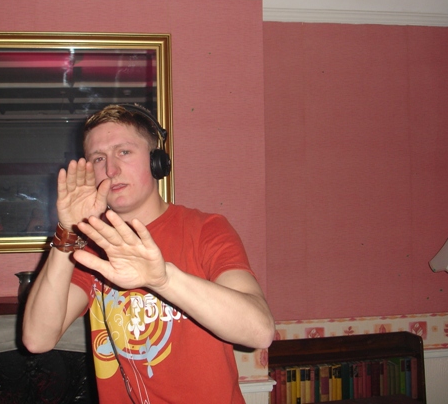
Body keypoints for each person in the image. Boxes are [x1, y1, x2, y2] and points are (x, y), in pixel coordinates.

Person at [22, 104, 274, 403]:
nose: (111, 170)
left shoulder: (205, 229)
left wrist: (163, 279)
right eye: (98, 158)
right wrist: (68, 231)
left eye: (124, 152)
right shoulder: (92, 245)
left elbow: (259, 331)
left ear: (157, 162)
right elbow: (37, 339)